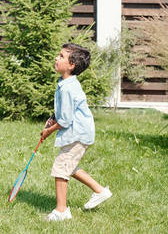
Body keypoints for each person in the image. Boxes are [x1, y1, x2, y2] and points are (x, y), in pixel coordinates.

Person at [40, 43, 112, 222]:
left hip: (78, 133)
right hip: (81, 132)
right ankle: (100, 191)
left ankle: (61, 211)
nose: (57, 58)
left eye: (61, 56)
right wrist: (52, 118)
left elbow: (65, 120)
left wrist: (49, 130)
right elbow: (63, 111)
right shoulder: (65, 83)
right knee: (68, 166)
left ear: (71, 65)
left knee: (60, 168)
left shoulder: (68, 87)